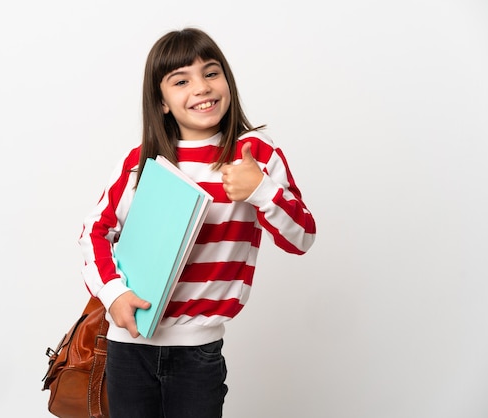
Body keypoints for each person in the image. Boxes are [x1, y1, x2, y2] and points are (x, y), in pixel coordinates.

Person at [78, 27, 316, 418]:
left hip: (198, 351)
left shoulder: (255, 153)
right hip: (128, 346)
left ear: (227, 80)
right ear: (163, 102)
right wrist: (113, 293)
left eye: (211, 72)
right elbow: (95, 231)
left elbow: (302, 237)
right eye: (181, 80)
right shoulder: (141, 162)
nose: (201, 87)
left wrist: (261, 190)